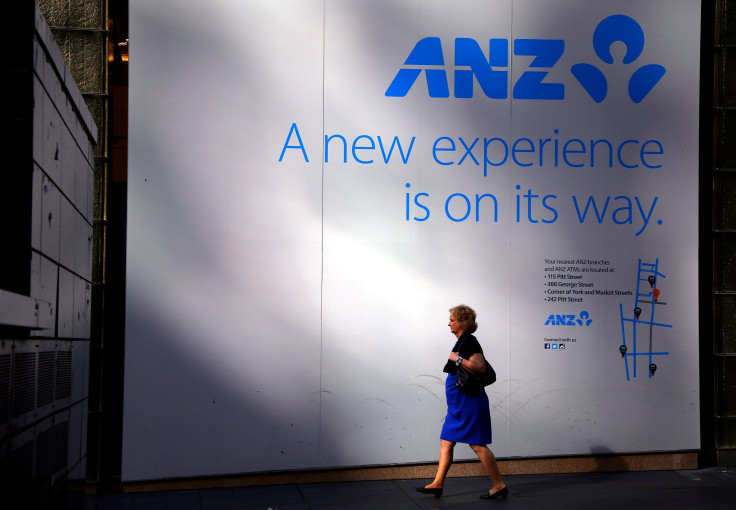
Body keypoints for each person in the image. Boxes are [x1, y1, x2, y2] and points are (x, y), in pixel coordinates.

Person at [414, 304, 508, 500]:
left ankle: (499, 485)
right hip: (458, 404)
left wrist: (457, 359)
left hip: (469, 402)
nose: (448, 323)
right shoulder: (462, 341)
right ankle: (437, 484)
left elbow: (479, 367)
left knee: (477, 444)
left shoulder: (469, 341)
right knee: (446, 441)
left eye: (452, 320)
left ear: (462, 322)